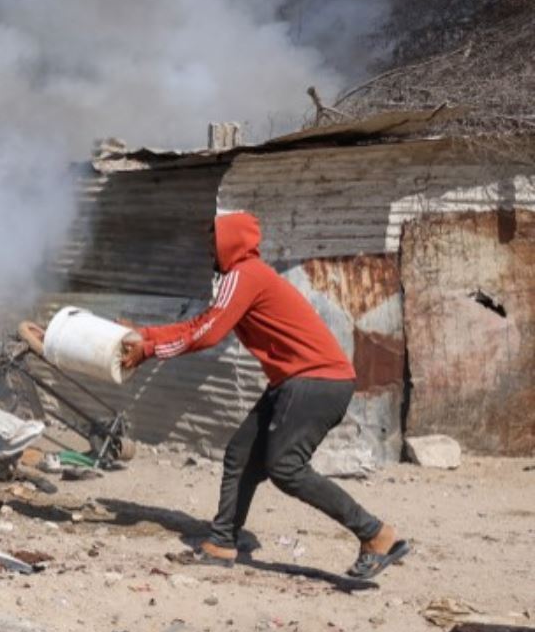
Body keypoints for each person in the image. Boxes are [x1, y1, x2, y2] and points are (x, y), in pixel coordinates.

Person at [119, 212, 410, 581]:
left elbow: (206, 334)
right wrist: (145, 335)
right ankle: (223, 542)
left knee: (286, 468)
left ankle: (374, 533)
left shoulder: (241, 274)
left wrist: (147, 350)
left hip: (314, 381)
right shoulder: (246, 277)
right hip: (301, 380)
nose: (209, 249)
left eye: (214, 242)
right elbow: (200, 324)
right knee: (241, 457)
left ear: (229, 243)